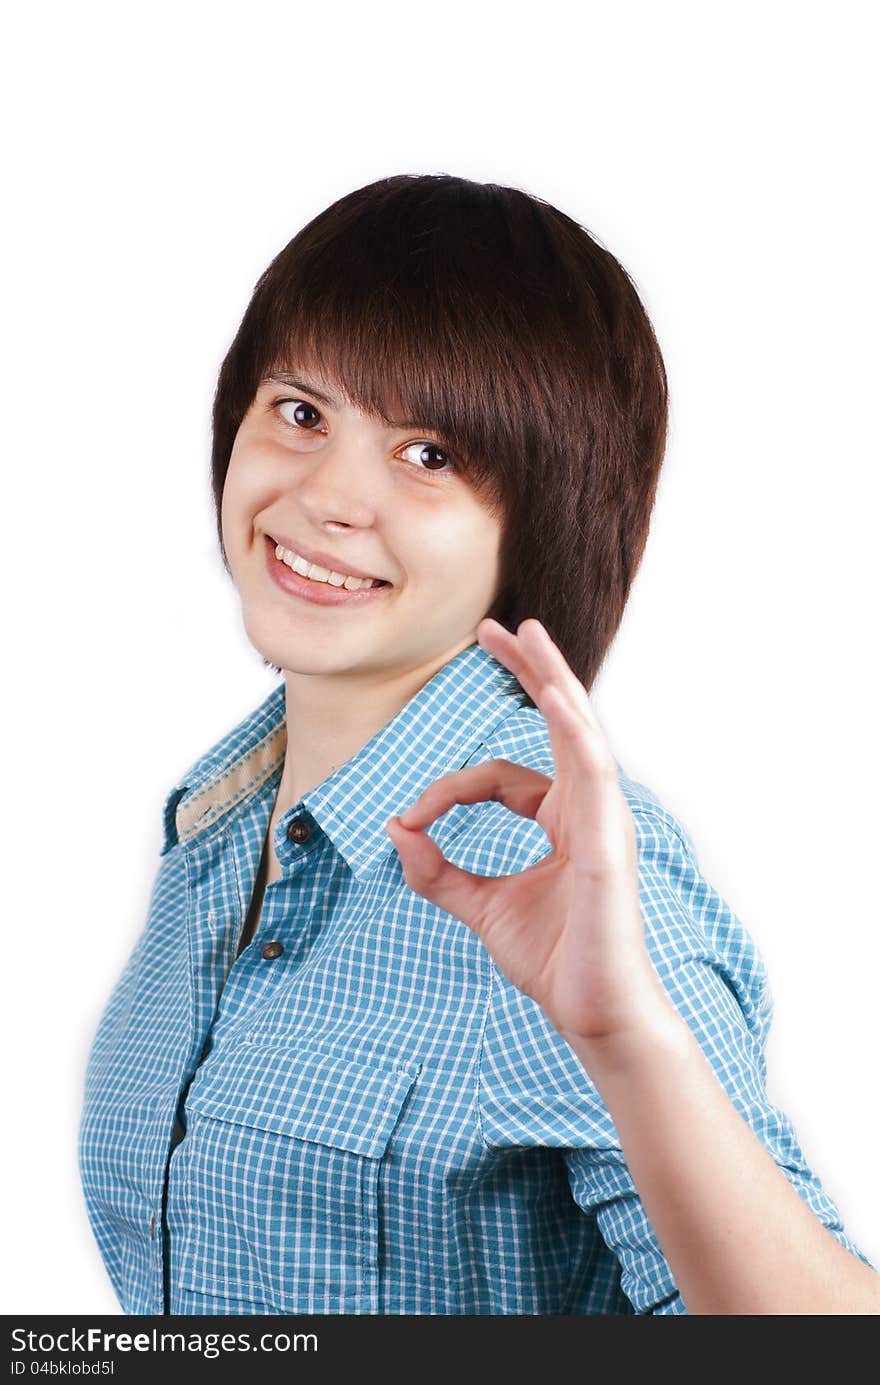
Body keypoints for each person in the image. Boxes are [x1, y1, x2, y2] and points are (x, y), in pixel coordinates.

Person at [79, 173, 878, 1316]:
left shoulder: (574, 875)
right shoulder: (213, 838)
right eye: (300, 412)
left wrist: (624, 1037)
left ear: (540, 519)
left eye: (431, 455)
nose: (326, 497)